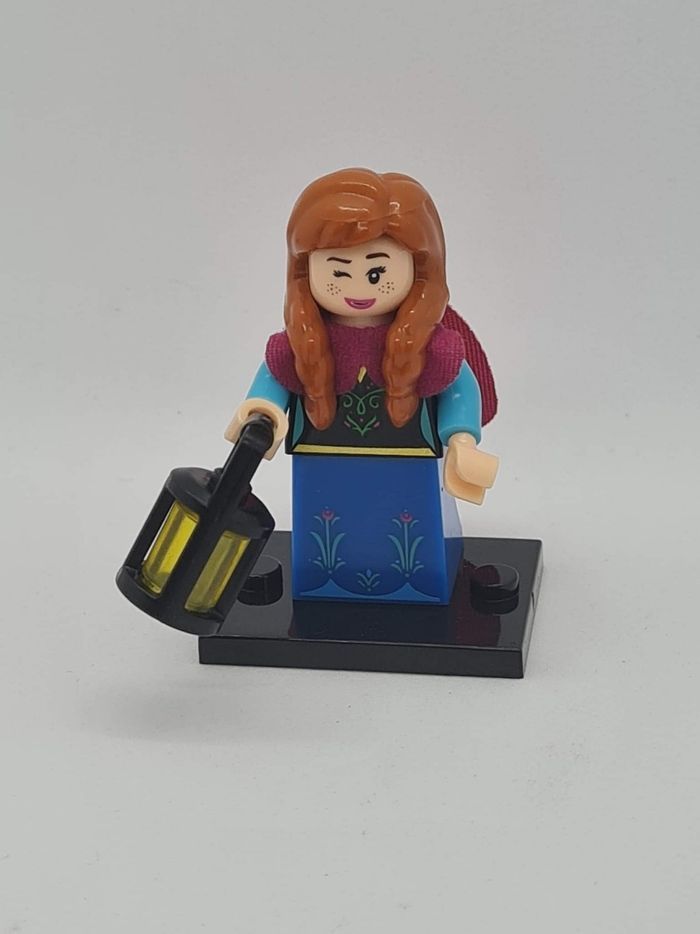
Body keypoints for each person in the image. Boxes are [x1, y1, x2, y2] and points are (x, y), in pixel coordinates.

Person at [225, 168, 498, 604]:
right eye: (338, 272)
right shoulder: (304, 345)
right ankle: (323, 591)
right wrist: (263, 411)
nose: (357, 287)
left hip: (409, 461)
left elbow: (460, 388)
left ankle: (419, 592)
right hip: (321, 461)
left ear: (419, 267)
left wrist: (462, 439)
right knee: (323, 543)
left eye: (376, 272)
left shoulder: (432, 345)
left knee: (416, 541)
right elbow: (274, 379)